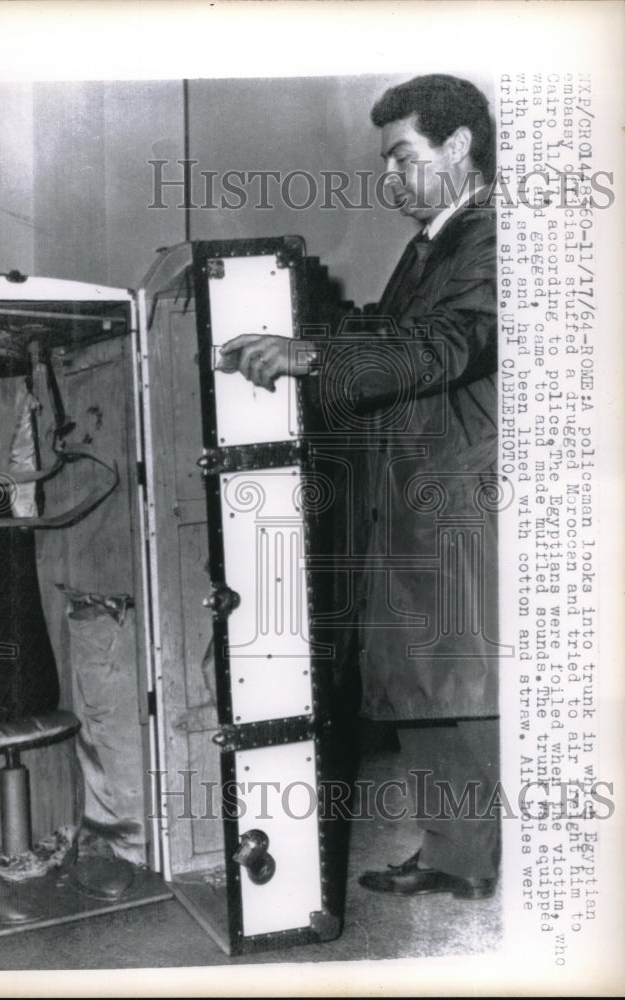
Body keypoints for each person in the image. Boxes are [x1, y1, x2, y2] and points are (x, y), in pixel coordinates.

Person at [219, 74, 500, 900]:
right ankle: (460, 856)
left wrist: (309, 356)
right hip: (421, 490)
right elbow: (388, 330)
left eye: (402, 157)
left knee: (470, 685)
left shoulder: (493, 237)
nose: (390, 178)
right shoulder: (432, 243)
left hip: (463, 496)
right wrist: (300, 336)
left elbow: (447, 345)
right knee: (427, 681)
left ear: (458, 146)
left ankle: (492, 859)